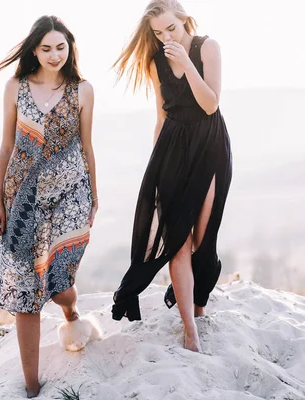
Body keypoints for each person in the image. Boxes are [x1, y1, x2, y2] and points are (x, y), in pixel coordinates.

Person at [0, 15, 101, 398]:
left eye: (61, 47)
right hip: (22, 197)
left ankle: (69, 311)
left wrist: (94, 194)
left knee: (57, 282)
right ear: (34, 49)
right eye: (47, 48)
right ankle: (32, 387)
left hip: (69, 194)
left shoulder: (83, 90)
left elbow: (86, 146)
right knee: (26, 288)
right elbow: (6, 146)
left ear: (70, 48)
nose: (54, 55)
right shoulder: (15, 88)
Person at [111, 0, 233, 353]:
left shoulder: (208, 47)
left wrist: (187, 66)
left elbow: (210, 103)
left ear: (185, 21)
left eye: (171, 29)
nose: (165, 38)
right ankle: (189, 328)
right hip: (172, 150)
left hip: (209, 146)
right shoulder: (155, 62)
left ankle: (199, 304)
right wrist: (157, 165)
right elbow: (161, 116)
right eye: (158, 33)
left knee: (202, 240)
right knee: (176, 240)